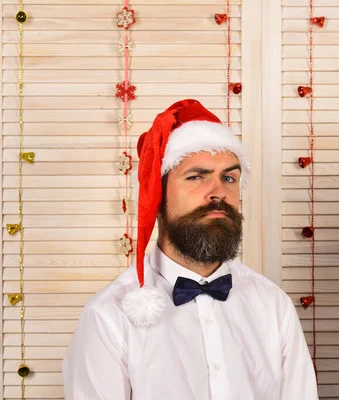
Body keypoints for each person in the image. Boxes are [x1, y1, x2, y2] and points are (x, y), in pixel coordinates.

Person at [62, 99, 319, 399]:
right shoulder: (109, 315)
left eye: (229, 178)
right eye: (197, 176)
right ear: (156, 197)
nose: (218, 192)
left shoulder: (273, 306)